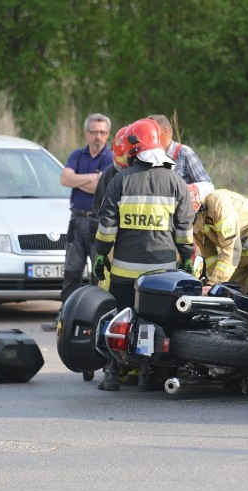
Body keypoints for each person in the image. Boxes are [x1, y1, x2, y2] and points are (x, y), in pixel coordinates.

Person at [93, 118, 196, 390]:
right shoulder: (177, 183)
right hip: (162, 275)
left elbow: (106, 229)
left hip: (125, 272)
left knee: (117, 319)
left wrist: (101, 256)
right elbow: (185, 232)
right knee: (160, 320)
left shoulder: (119, 182)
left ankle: (112, 373)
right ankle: (149, 373)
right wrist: (186, 261)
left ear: (134, 148)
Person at [54, 113, 113, 317]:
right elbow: (64, 179)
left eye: (102, 132)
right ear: (86, 133)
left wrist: (79, 180)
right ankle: (66, 314)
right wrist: (92, 178)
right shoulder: (77, 155)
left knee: (100, 272)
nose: (98, 136)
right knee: (72, 271)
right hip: (76, 220)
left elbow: (101, 188)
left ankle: (99, 316)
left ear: (108, 134)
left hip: (98, 222)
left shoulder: (111, 158)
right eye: (94, 132)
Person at [190, 184, 248, 295]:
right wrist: (212, 281)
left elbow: (232, 248)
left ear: (197, 208)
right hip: (241, 253)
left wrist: (213, 283)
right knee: (230, 292)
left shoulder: (218, 204)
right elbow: (209, 254)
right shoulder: (196, 221)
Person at [148, 114, 212, 185]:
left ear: (166, 131)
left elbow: (206, 184)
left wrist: (188, 191)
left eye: (152, 131)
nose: (148, 135)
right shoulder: (147, 155)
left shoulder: (185, 153)